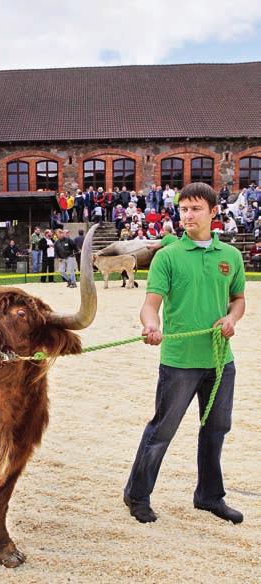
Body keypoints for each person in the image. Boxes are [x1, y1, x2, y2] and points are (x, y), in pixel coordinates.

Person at [124, 182, 246, 525]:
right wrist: (151, 326)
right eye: (183, 209)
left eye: (195, 209)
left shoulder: (231, 256)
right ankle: (137, 495)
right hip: (179, 361)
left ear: (212, 212)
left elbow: (238, 299)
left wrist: (231, 318)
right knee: (162, 430)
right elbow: (150, 306)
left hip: (221, 360)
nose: (187, 215)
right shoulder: (168, 256)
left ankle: (209, 497)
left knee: (216, 429)